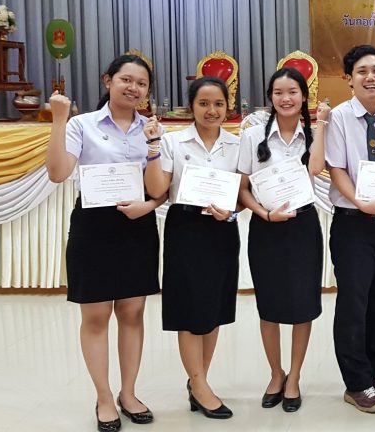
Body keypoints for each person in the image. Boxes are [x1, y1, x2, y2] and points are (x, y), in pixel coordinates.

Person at [45, 54, 163, 432]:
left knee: (132, 313)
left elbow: (161, 186)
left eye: (141, 83)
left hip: (137, 226)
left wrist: (148, 205)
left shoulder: (152, 129)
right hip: (93, 227)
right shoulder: (82, 125)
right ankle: (104, 397)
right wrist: (59, 120)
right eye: (126, 80)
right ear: (107, 80)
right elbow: (58, 173)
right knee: (95, 317)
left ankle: (129, 393)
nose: (133, 88)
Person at [142, 76, 240, 419]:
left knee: (213, 309)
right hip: (186, 231)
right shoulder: (173, 141)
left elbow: (241, 193)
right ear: (191, 106)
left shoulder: (236, 144)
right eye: (204, 103)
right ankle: (199, 385)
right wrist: (152, 147)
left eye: (218, 104)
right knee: (189, 310)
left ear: (228, 106)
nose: (212, 110)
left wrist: (233, 210)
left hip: (222, 231)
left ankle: (200, 381)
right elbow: (157, 189)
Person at [237, 67, 329, 413]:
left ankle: (294, 378)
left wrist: (321, 126)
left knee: (303, 304)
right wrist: (264, 215)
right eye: (278, 92)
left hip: (303, 227)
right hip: (267, 228)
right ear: (270, 97)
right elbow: (242, 189)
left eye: (293, 92)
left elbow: (316, 169)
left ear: (304, 96)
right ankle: (276, 374)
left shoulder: (313, 134)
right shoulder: (252, 136)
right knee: (269, 305)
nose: (285, 98)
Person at [324, 45, 375, 413]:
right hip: (353, 222)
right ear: (349, 78)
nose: (370, 77)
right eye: (362, 71)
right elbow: (336, 169)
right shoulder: (339, 117)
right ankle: (356, 382)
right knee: (353, 304)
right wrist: (360, 202)